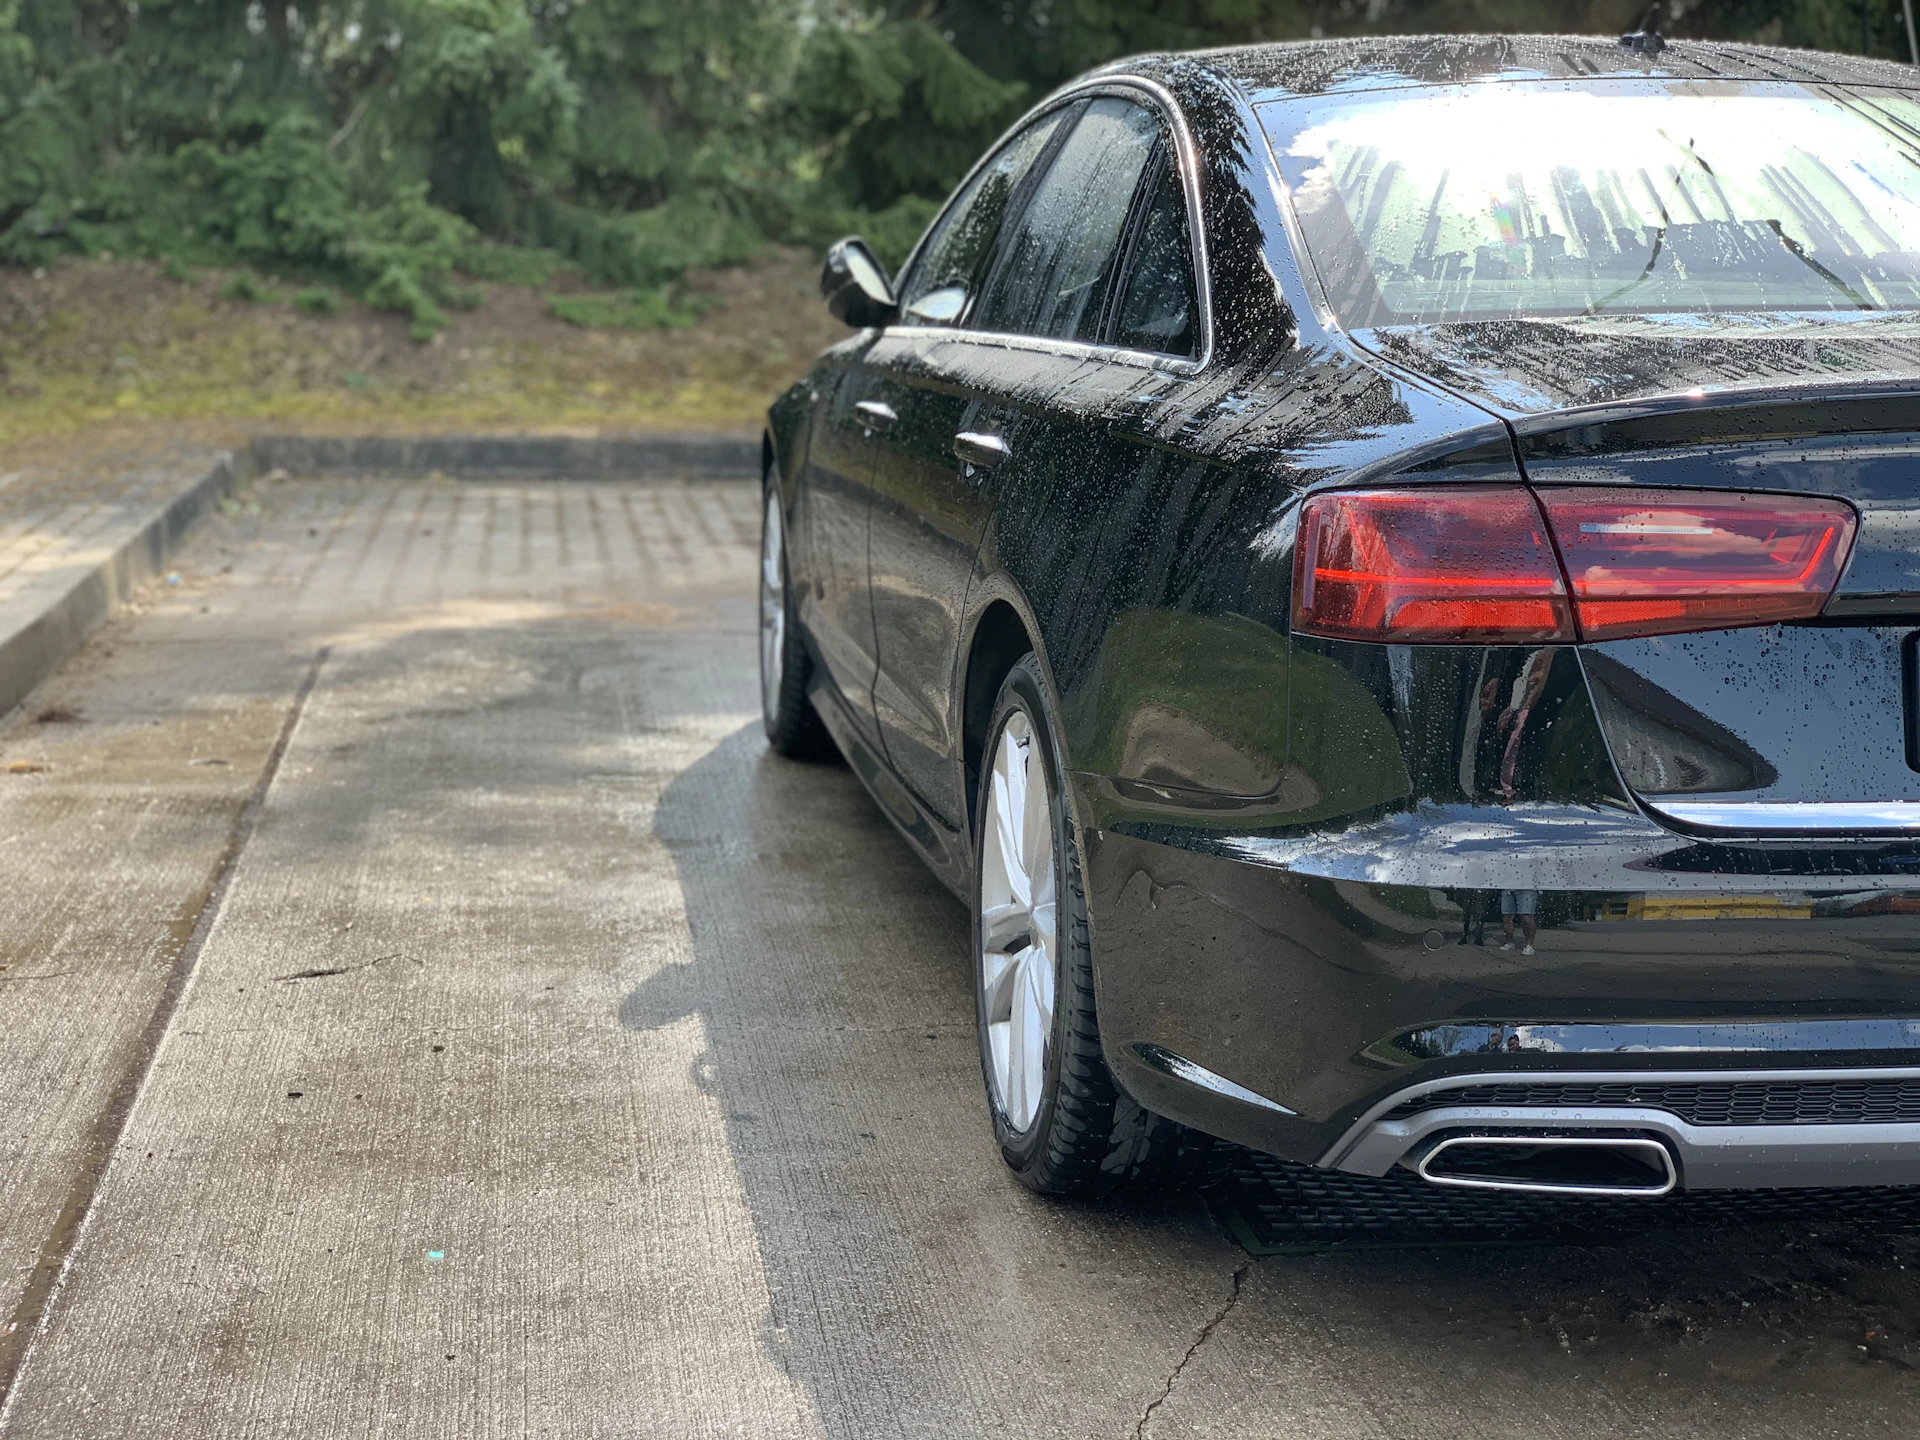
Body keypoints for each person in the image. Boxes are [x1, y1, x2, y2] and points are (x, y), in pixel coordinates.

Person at [1500, 889, 1538, 955]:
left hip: (1527, 888)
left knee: (1526, 916)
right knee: (1507, 916)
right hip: (1507, 887)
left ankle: (1528, 945)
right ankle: (1509, 942)